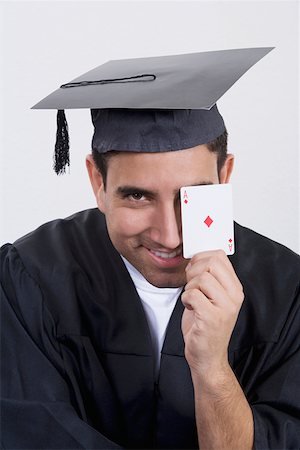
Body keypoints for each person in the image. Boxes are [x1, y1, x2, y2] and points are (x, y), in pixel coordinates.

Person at [1, 48, 299, 450]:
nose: (170, 235)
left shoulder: (287, 292)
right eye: (138, 197)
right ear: (98, 183)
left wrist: (212, 369)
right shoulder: (30, 279)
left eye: (190, 195)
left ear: (225, 175)